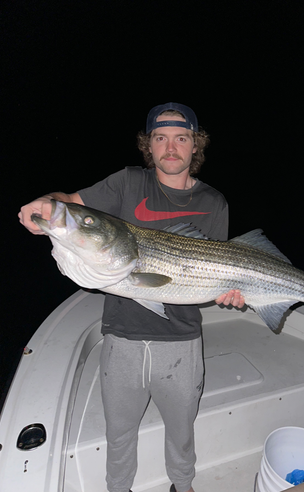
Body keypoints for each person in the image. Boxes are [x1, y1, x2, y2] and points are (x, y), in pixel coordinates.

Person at [19, 102, 245, 492]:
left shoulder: (214, 202)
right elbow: (71, 203)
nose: (170, 148)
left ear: (196, 146)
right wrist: (48, 203)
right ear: (149, 145)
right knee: (119, 434)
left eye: (181, 138)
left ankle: (183, 485)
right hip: (121, 338)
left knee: (181, 433)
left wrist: (232, 293)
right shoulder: (126, 183)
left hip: (182, 343)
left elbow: (218, 265)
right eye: (160, 138)